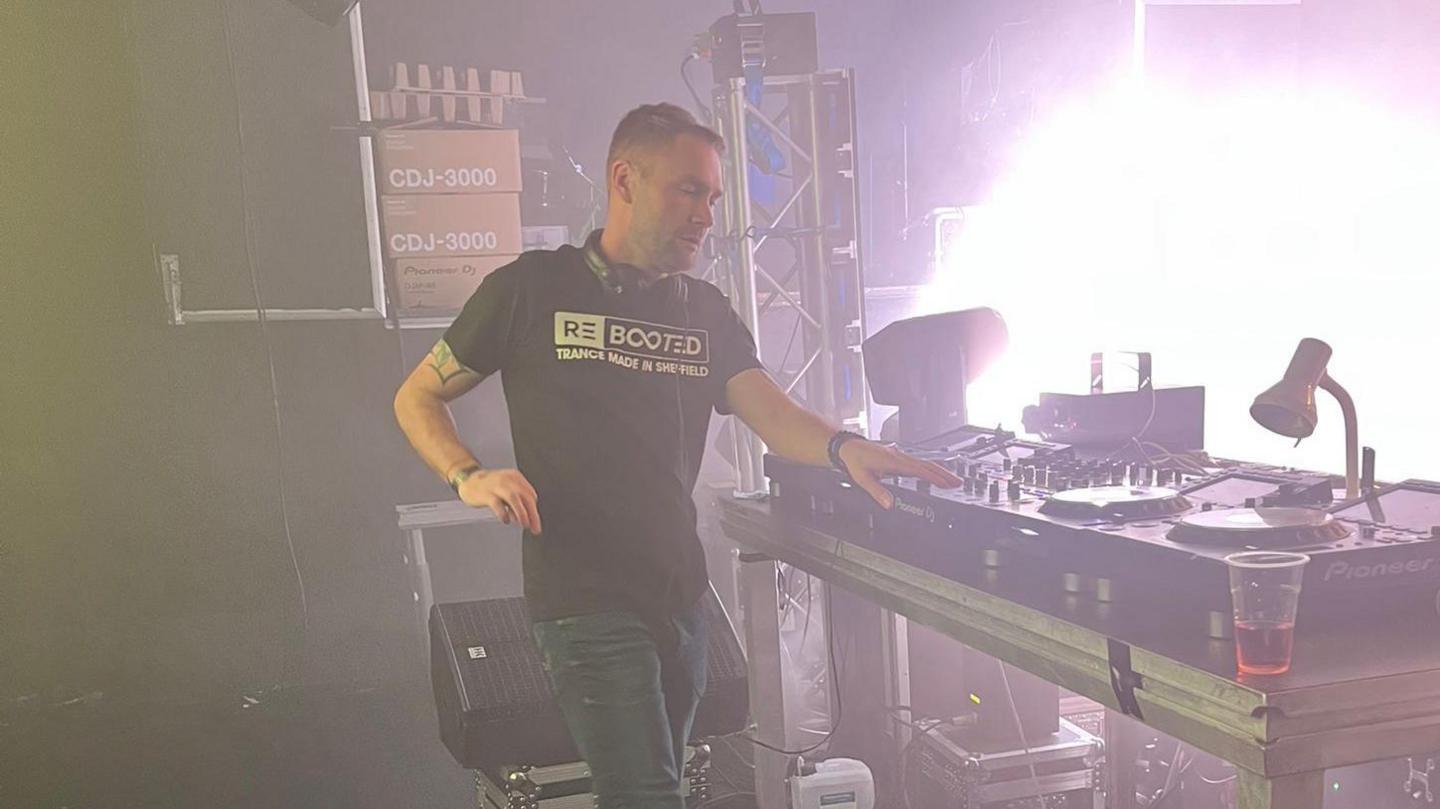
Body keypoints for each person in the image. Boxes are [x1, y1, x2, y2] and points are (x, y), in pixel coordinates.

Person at [393, 102, 960, 809]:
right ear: (624, 180)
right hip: (584, 604)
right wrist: (468, 475)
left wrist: (845, 447)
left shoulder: (705, 311)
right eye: (689, 190)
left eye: (714, 197)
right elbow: (416, 396)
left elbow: (774, 414)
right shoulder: (530, 289)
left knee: (655, 789)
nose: (705, 214)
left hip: (684, 603)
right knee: (647, 795)